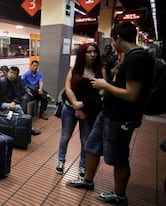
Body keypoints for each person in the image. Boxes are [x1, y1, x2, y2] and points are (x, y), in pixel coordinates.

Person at [66, 22, 154, 205]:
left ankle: (120, 195)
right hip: (108, 114)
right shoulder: (129, 57)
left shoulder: (137, 59)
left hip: (121, 118)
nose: (113, 44)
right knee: (91, 147)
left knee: (119, 157)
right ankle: (87, 181)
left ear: (118, 38)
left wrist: (105, 85)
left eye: (113, 40)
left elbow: (132, 94)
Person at [55, 43, 103, 177]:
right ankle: (61, 161)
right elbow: (68, 88)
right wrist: (76, 104)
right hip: (70, 109)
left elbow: (100, 93)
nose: (92, 54)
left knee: (85, 140)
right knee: (65, 137)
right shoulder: (74, 70)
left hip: (88, 112)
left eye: (94, 52)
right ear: (83, 54)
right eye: (89, 52)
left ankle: (82, 166)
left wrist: (82, 105)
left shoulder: (99, 72)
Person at [0, 66, 41, 135]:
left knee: (22, 102)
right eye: (11, 72)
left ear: (17, 76)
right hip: (1, 103)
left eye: (14, 74)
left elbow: (19, 94)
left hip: (11, 103)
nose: (12, 75)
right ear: (8, 73)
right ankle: (29, 127)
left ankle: (22, 126)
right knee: (18, 108)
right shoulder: (0, 82)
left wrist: (14, 102)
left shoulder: (17, 82)